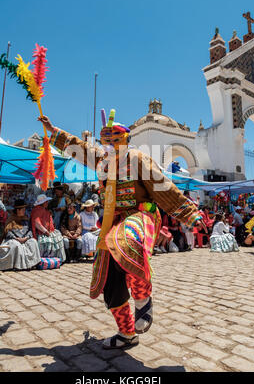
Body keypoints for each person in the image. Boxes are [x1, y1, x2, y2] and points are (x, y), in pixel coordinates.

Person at [38, 112, 203, 350]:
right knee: (108, 278)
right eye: (106, 138)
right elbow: (80, 148)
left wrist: (191, 214)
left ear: (125, 139)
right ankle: (126, 333)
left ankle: (143, 300)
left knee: (128, 241)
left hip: (140, 215)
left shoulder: (137, 159)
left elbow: (162, 186)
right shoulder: (102, 160)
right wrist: (54, 131)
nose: (110, 143)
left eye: (115, 138)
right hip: (111, 222)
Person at [0, 200, 41, 271]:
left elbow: (30, 230)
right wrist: (16, 238)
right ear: (18, 210)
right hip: (13, 240)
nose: (24, 211)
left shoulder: (26, 219)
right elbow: (8, 232)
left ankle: (32, 264)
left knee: (33, 242)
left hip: (25, 239)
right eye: (23, 209)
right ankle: (17, 265)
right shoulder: (11, 220)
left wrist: (26, 238)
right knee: (16, 245)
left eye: (24, 209)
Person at [30, 194, 66, 262]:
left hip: (47, 231)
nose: (47, 203)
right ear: (42, 203)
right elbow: (36, 223)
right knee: (50, 241)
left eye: (47, 202)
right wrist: (45, 231)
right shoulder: (37, 210)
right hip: (41, 233)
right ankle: (47, 259)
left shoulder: (44, 210)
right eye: (46, 202)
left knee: (58, 237)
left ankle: (56, 259)